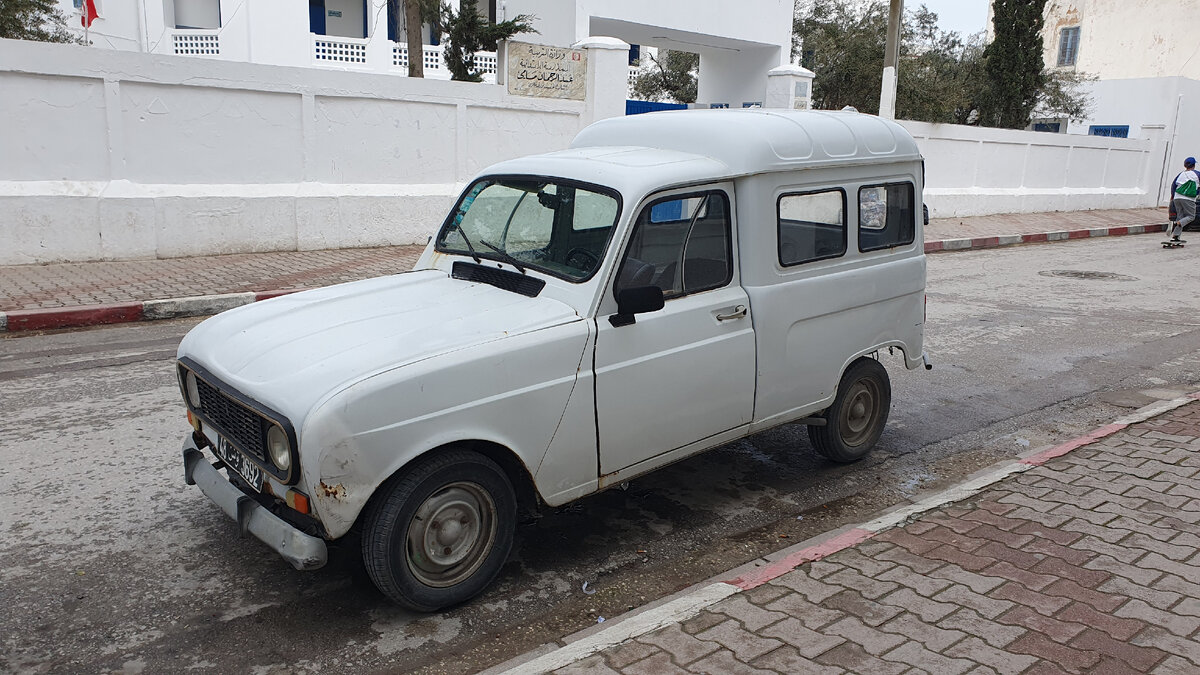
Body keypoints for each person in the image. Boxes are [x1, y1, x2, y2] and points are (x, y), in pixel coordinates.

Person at [1170, 157, 1200, 240]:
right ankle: (1176, 223)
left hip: (1177, 197)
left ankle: (1175, 236)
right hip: (1188, 198)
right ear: (1194, 165)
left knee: (1180, 216)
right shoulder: (1197, 174)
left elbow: (1173, 185)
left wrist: (1172, 196)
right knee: (1191, 216)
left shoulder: (1181, 174)